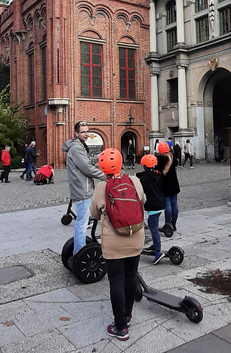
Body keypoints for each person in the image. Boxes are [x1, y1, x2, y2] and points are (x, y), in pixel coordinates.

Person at [90, 148, 146, 341]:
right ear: (121, 163)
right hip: (136, 238)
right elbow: (142, 201)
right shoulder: (135, 181)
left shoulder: (101, 188)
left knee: (116, 281)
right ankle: (128, 315)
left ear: (102, 168)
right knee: (131, 276)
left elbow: (94, 213)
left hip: (113, 243)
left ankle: (120, 327)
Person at [61, 121, 106, 258]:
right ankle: (78, 252)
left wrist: (98, 157)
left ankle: (79, 248)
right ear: (76, 133)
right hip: (82, 190)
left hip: (83, 188)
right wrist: (105, 177)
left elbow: (85, 162)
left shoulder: (79, 146)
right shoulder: (76, 148)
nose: (87, 134)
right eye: (83, 132)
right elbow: (86, 169)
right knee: (82, 223)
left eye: (87, 131)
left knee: (83, 221)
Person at [137, 154, 166, 264]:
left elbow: (142, 186)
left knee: (153, 227)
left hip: (153, 205)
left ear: (144, 166)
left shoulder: (144, 178)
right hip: (161, 203)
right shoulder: (159, 175)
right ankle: (154, 245)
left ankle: (158, 251)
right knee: (152, 223)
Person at [156, 142, 180, 236]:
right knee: (174, 204)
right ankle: (173, 224)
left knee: (167, 205)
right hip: (173, 183)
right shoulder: (173, 159)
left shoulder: (159, 160)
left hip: (164, 184)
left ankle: (167, 224)